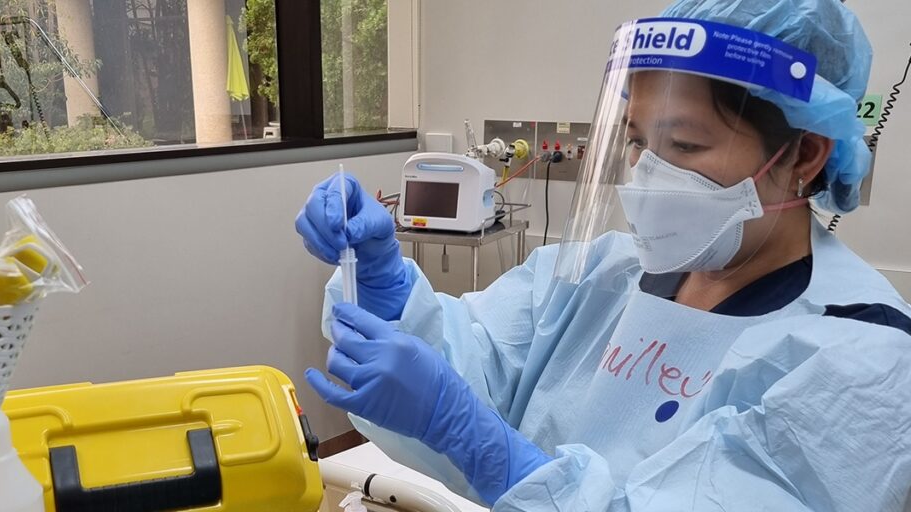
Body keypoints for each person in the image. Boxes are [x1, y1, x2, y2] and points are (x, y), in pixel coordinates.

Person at [296, 0, 911, 509]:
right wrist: (382, 285)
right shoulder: (603, 274)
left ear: (805, 154)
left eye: (686, 145)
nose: (650, 174)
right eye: (639, 141)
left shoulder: (862, 366)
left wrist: (485, 447)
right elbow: (473, 365)